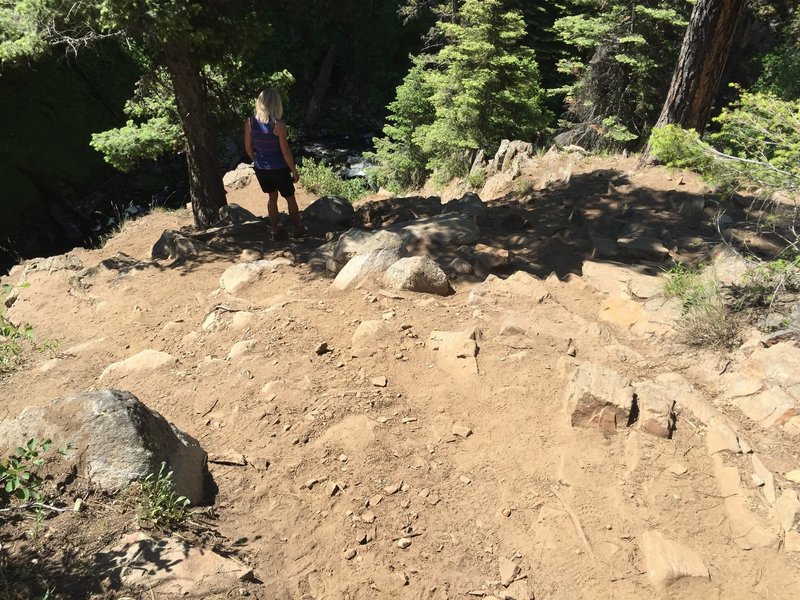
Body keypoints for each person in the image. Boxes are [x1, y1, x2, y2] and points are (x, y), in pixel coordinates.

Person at [244, 88, 305, 239]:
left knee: (272, 198)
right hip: (279, 168)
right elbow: (285, 152)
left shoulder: (250, 121)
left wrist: (256, 160)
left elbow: (247, 147)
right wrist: (294, 171)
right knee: (290, 198)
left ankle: (274, 231)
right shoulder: (279, 125)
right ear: (276, 104)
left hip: (261, 168)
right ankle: (298, 229)